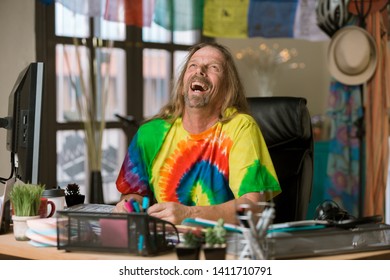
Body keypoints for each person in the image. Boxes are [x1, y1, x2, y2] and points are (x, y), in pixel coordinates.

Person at [114, 42, 281, 225]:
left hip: (220, 246)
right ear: (183, 81)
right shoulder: (151, 133)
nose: (200, 70)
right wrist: (128, 205)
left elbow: (253, 208)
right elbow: (133, 194)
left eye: (213, 67)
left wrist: (189, 214)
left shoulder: (240, 127)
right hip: (164, 244)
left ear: (227, 88)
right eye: (193, 65)